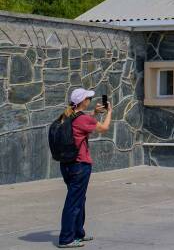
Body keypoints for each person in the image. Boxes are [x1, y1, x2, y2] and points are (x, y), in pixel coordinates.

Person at [57, 88, 112, 248]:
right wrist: (109, 112)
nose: (90, 100)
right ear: (83, 101)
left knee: (79, 199)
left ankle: (78, 233)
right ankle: (66, 239)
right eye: (88, 97)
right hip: (80, 165)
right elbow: (103, 128)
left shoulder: (67, 115)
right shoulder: (81, 119)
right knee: (74, 202)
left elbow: (82, 130)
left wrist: (93, 114)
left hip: (67, 164)